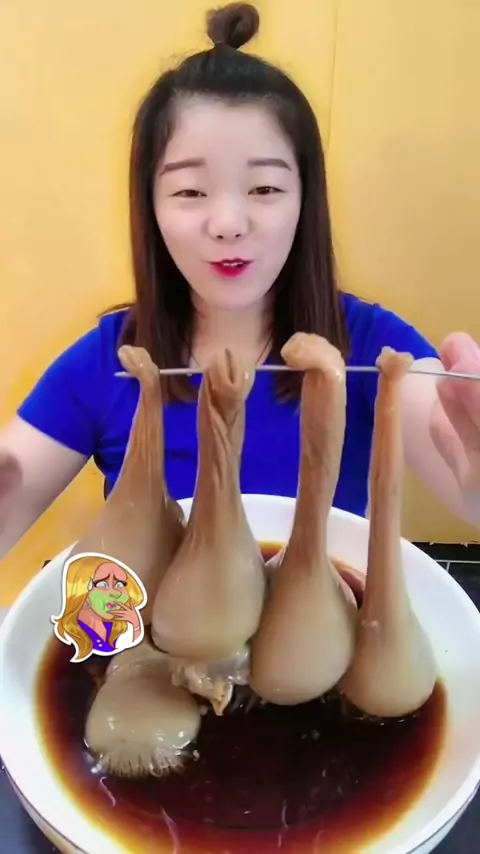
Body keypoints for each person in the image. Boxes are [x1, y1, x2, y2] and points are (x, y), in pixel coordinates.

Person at [0, 2, 480, 561]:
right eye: (190, 191)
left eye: (264, 189)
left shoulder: (373, 347)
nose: (228, 223)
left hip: (330, 612)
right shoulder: (108, 362)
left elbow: (458, 454)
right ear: (150, 207)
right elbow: (12, 484)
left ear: (305, 201)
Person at [52, 554, 146, 662]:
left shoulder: (119, 625)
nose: (115, 593)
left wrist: (135, 624)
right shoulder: (72, 631)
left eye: (119, 585)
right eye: (103, 585)